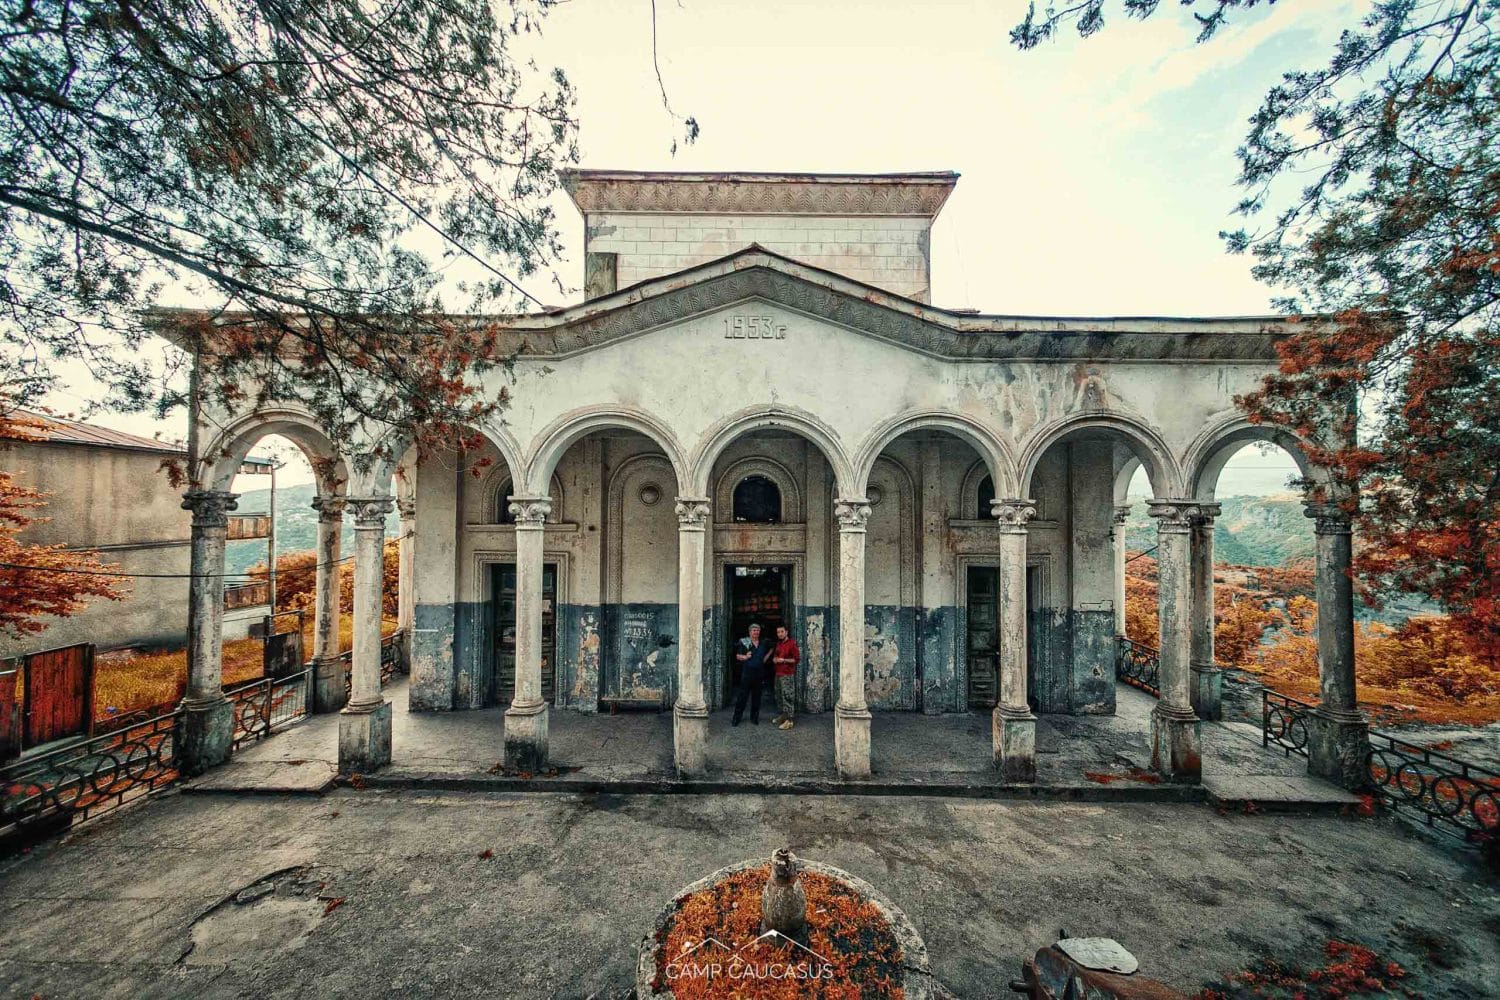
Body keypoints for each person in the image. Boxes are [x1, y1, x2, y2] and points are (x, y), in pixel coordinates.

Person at [732, 623, 772, 726]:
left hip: (759, 674)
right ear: (750, 632)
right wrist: (745, 657)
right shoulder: (744, 642)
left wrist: (765, 658)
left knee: (757, 697)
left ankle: (754, 718)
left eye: (758, 630)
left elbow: (772, 648)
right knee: (742, 697)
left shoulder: (763, 643)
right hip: (747, 674)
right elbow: (737, 656)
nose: (756, 632)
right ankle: (736, 718)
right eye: (754, 630)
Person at [770, 624, 801, 730]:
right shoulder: (778, 644)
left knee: (788, 697)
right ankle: (783, 716)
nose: (780, 634)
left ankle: (789, 720)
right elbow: (776, 655)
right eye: (778, 632)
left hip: (787, 675)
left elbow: (796, 659)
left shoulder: (792, 644)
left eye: (782, 632)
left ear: (786, 632)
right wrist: (774, 659)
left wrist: (783, 660)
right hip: (778, 674)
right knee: (779, 696)